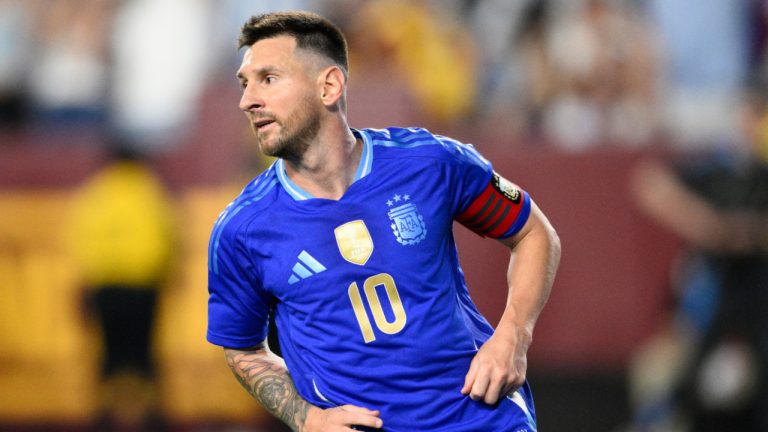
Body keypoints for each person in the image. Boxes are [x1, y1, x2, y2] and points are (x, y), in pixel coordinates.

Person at [206, 11, 561, 431]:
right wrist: (305, 418)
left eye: (269, 79)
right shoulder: (242, 229)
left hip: (479, 417)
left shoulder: (429, 163)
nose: (248, 100)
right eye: (245, 83)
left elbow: (534, 234)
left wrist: (514, 337)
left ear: (329, 86)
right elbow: (243, 348)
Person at [67, 139, 176, 431]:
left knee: (110, 355)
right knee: (143, 355)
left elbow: (86, 240)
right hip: (143, 286)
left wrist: (87, 282)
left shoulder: (97, 191)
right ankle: (152, 416)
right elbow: (166, 235)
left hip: (107, 287)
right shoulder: (150, 189)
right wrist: (165, 272)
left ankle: (104, 416)